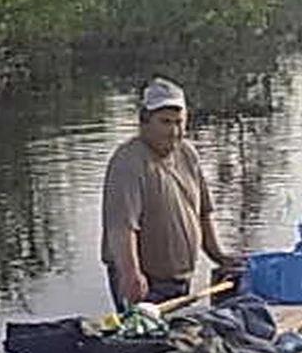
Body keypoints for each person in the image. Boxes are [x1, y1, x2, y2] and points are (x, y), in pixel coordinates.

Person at [101, 77, 241, 311]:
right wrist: (130, 274)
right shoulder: (128, 162)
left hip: (180, 279)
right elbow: (122, 227)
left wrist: (219, 256)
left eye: (179, 122)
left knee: (180, 341)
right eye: (165, 122)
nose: (174, 131)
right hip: (145, 282)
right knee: (146, 345)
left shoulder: (187, 153)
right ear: (144, 121)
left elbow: (203, 213)